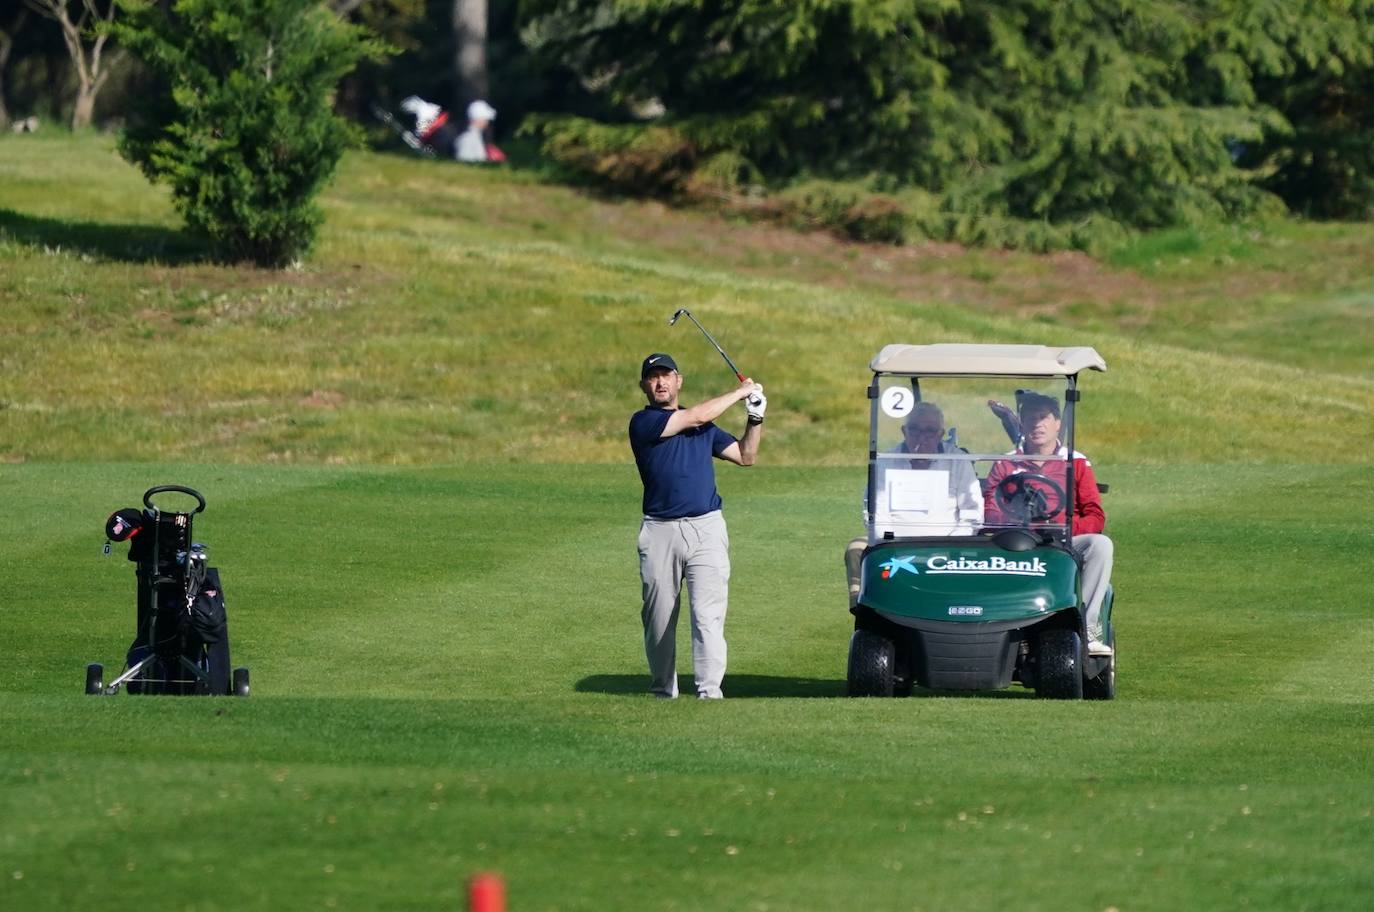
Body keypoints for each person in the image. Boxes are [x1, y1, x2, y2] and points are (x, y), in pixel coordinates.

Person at [629, 353, 766, 699]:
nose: (660, 382)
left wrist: (755, 417)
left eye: (666, 375)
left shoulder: (704, 429)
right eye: (653, 377)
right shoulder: (643, 423)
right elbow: (697, 415)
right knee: (659, 619)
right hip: (660, 531)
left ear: (679, 381)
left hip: (706, 527)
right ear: (645, 385)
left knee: (708, 616)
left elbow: (746, 456)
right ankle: (663, 690)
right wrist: (740, 392)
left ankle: (710, 691)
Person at [983, 392, 1114, 656]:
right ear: (1020, 423)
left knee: (1101, 545)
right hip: (1016, 540)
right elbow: (989, 511)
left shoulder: (1075, 462)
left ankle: (1085, 629)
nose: (1037, 424)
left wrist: (1063, 528)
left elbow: (1095, 516)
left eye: (1044, 418)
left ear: (1057, 424)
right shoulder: (1007, 463)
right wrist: (1015, 522)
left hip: (1062, 539)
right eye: (1030, 418)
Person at [844, 401, 983, 609]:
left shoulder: (957, 460)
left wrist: (949, 544)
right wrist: (892, 542)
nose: (922, 437)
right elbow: (874, 512)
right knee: (856, 548)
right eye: (915, 430)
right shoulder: (886, 462)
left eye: (929, 431)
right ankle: (866, 609)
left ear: (940, 433)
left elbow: (972, 514)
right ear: (904, 431)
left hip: (947, 544)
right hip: (896, 543)